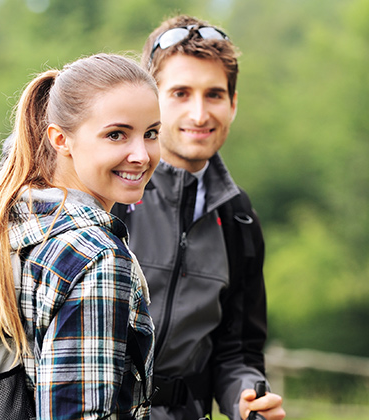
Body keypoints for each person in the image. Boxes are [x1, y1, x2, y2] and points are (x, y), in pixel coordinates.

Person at [0, 53, 159, 420]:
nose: (141, 154)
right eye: (116, 134)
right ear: (61, 139)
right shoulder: (97, 257)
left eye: (151, 133)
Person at [111, 15, 285, 420]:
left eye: (214, 95)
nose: (199, 112)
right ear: (152, 101)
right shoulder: (107, 196)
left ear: (233, 103)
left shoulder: (240, 220)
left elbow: (237, 352)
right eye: (180, 93)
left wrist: (246, 400)